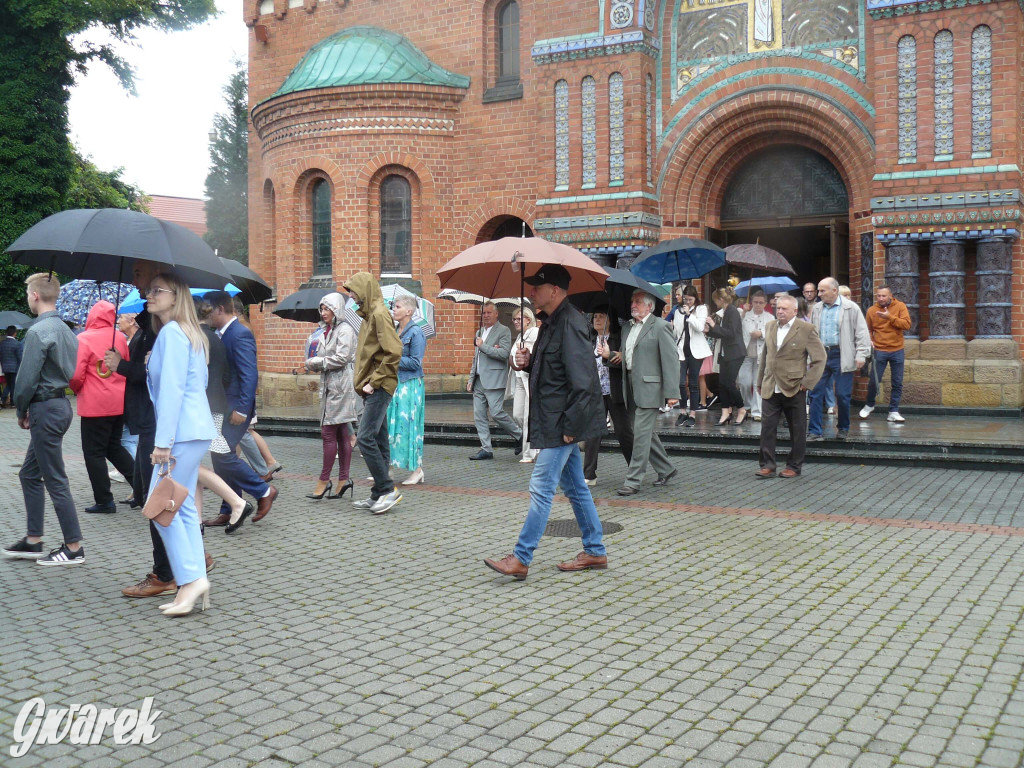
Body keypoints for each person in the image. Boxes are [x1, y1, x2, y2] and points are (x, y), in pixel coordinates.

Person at [484, 264, 607, 579]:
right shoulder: (550, 324)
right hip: (553, 418)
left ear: (555, 290)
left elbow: (584, 381)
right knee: (576, 487)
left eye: (537, 287)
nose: (531, 292)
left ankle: (521, 558)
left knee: (541, 486)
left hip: (561, 423)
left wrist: (570, 428)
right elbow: (552, 373)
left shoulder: (571, 325)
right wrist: (525, 362)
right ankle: (594, 551)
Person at [145, 272, 216, 616]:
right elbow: (193, 384)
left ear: (175, 297)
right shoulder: (191, 334)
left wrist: (163, 443)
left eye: (157, 290)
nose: (149, 295)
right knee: (182, 507)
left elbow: (173, 392)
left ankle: (190, 579)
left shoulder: (173, 334)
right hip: (195, 428)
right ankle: (195, 580)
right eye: (149, 290)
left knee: (159, 508)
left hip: (181, 433)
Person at [106, 260, 177, 597]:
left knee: (156, 499)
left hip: (157, 424)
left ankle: (165, 573)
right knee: (162, 497)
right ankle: (188, 560)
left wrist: (122, 365)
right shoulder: (150, 323)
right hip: (150, 422)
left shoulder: (165, 328)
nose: (135, 281)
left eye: (138, 274)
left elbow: (160, 380)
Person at [1, 274, 83, 565]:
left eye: (27, 293)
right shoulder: (65, 329)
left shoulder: (38, 332)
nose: (27, 297)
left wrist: (21, 410)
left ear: (35, 295)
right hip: (59, 405)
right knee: (28, 473)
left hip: (45, 408)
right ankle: (33, 540)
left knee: (55, 478)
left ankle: (73, 547)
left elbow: (25, 380)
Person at [202, 291, 278, 525]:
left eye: (208, 310)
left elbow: (249, 374)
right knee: (220, 455)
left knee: (222, 454)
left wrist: (243, 409)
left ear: (220, 309)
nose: (205, 315)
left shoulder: (240, 333)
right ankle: (229, 507)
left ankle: (263, 491)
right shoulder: (222, 334)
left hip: (235, 408)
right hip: (223, 405)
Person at [343, 272, 404, 514]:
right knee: (378, 439)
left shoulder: (379, 314)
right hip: (372, 385)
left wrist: (374, 381)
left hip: (378, 386)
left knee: (365, 438)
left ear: (364, 289)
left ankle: (388, 490)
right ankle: (379, 494)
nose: (351, 296)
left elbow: (394, 351)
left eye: (353, 291)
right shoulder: (370, 314)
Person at [69, 300, 135, 514]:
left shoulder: (84, 339)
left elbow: (77, 374)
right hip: (119, 402)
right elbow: (125, 366)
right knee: (114, 447)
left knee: (93, 452)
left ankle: (104, 500)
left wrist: (78, 389)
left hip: (94, 404)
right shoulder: (121, 338)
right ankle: (143, 490)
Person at [616, 290, 680, 496]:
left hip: (650, 388)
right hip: (630, 384)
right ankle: (666, 469)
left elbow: (671, 360)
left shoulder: (660, 326)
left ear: (649, 307)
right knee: (643, 432)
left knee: (640, 436)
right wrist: (612, 356)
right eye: (632, 301)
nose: (633, 305)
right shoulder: (627, 326)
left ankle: (633, 481)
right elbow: (628, 355)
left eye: (637, 302)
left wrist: (672, 392)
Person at [755, 295, 827, 479]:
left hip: (794, 386)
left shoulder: (806, 329)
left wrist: (807, 383)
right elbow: (766, 355)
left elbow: (820, 359)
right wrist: (759, 381)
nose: (780, 311)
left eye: (784, 309)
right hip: (771, 385)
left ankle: (794, 466)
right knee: (767, 427)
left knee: (797, 429)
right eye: (778, 308)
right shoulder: (770, 326)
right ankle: (768, 465)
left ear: (795, 311)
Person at [304, 292, 360, 499]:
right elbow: (322, 355)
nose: (323, 312)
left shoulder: (345, 329)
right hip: (330, 386)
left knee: (328, 433)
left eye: (327, 309)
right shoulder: (327, 330)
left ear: (336, 310)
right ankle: (343, 480)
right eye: (322, 309)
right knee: (341, 433)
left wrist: (317, 362)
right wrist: (312, 360)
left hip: (341, 387)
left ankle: (324, 479)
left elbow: (342, 358)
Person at [807, 277, 871, 441]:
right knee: (815, 393)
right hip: (821, 355)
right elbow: (812, 333)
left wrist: (861, 354)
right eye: (818, 291)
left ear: (834, 291)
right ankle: (815, 431)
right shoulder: (817, 308)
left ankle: (843, 428)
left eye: (822, 291)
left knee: (842, 395)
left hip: (842, 354)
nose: (819, 294)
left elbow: (862, 333)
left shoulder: (851, 308)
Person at [467, 301, 522, 460]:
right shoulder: (479, 332)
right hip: (478, 380)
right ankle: (486, 448)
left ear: (496, 314)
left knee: (497, 412)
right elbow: (475, 358)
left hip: (494, 378)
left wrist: (483, 346)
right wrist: (471, 377)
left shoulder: (503, 331)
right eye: (483, 313)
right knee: (479, 415)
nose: (485, 316)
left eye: (489, 313)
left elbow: (504, 354)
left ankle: (520, 435)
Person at [584, 310, 633, 486]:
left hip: (614, 390)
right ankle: (589, 474)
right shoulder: (589, 340)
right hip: (595, 392)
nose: (597, 319)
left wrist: (610, 355)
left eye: (602, 316)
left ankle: (634, 470)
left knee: (623, 431)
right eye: (595, 316)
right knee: (592, 432)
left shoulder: (617, 340)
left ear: (610, 320)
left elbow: (626, 363)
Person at [388, 294, 427, 485]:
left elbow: (415, 362)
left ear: (409, 311)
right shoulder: (394, 330)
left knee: (409, 427)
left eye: (397, 307)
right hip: (394, 384)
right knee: (392, 426)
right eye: (393, 306)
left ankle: (417, 470)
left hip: (410, 385)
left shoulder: (416, 332)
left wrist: (391, 358)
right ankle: (388, 469)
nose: (394, 309)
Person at [861, 284, 911, 423]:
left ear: (890, 296)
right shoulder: (871, 310)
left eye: (883, 296)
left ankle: (893, 411)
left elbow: (906, 325)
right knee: (874, 381)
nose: (881, 298)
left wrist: (890, 317)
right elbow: (868, 330)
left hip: (897, 349)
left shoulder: (900, 306)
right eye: (878, 296)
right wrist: (870, 340)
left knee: (897, 381)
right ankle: (869, 404)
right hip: (880, 349)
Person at [705, 287, 747, 425]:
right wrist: (709, 331)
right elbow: (722, 333)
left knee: (729, 383)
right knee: (722, 383)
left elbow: (731, 333)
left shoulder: (733, 312)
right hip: (725, 353)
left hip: (735, 353)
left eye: (715, 300)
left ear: (721, 300)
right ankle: (725, 411)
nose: (714, 302)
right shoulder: (725, 312)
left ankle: (741, 408)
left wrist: (713, 325)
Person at [671, 285, 710, 428]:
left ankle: (692, 414)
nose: (687, 302)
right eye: (685, 299)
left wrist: (689, 315)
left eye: (690, 299)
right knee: (681, 382)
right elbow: (676, 332)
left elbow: (700, 327)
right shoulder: (677, 310)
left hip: (696, 351)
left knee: (693, 383)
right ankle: (683, 411)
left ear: (695, 298)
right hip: (681, 350)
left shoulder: (701, 309)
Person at [510, 308, 540, 463]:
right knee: (518, 414)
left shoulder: (534, 332)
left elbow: (534, 353)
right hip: (519, 378)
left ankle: (529, 453)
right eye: (514, 319)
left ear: (528, 319)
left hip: (529, 377)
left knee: (529, 415)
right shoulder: (520, 336)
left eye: (519, 319)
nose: (515, 322)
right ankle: (535, 442)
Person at [739, 290, 770, 422]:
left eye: (761, 302)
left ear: (765, 304)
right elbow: (737, 326)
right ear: (751, 302)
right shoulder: (744, 314)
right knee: (744, 382)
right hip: (745, 353)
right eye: (755, 302)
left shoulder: (770, 317)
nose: (758, 305)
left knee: (758, 383)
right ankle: (747, 406)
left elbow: (772, 332)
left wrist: (761, 333)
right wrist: (744, 312)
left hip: (760, 355)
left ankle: (757, 411)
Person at [116, 314, 140, 461]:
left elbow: (135, 371)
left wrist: (120, 364)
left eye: (121, 317)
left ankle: (133, 469)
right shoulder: (127, 341)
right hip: (128, 397)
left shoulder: (138, 341)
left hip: (133, 398)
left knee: (128, 439)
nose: (118, 321)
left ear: (131, 321)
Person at [0, 325, 22, 408]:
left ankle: (3, 399)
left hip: (5, 367)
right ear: (15, 333)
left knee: (9, 384)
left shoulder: (2, 343)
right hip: (14, 367)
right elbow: (19, 357)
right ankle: (13, 402)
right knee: (13, 385)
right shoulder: (17, 344)